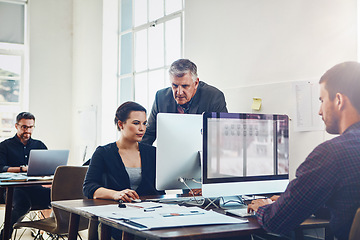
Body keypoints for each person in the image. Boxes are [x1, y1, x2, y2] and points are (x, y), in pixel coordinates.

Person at [247, 61, 360, 240]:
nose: (319, 111)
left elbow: (276, 221)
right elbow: (349, 203)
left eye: (322, 101)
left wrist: (263, 206)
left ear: (338, 100)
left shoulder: (332, 154)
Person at [83, 101, 164, 202]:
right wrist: (115, 194)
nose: (142, 128)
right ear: (121, 124)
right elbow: (89, 187)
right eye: (136, 123)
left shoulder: (153, 153)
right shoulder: (103, 153)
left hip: (152, 210)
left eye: (144, 123)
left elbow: (162, 187)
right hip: (115, 210)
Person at [141, 59, 228, 145]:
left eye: (185, 86)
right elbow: (149, 134)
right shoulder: (161, 97)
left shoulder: (213, 97)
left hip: (201, 153)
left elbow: (223, 137)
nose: (179, 92)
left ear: (196, 83)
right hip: (171, 152)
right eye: (174, 86)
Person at [0, 112, 51, 239]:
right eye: (24, 127)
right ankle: (5, 234)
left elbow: (48, 167)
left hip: (35, 187)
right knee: (23, 204)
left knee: (58, 198)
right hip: (13, 189)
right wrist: (22, 169)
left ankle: (50, 231)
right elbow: (1, 168)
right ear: (16, 126)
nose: (27, 131)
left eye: (31, 127)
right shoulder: (5, 146)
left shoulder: (39, 145)